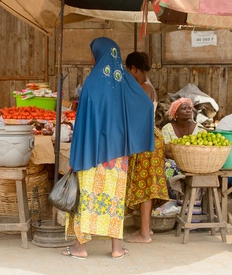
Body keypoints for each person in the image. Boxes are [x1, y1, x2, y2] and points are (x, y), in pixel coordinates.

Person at [62, 37, 155, 259]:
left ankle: (80, 247)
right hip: (117, 155)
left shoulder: (92, 81)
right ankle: (116, 248)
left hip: (91, 152)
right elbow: (146, 105)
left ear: (99, 54)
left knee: (86, 198)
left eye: (92, 53)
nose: (91, 57)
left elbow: (83, 122)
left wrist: (75, 156)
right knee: (114, 199)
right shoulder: (124, 80)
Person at [123, 52, 169, 243]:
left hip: (145, 139)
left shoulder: (142, 88)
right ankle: (146, 229)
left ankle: (144, 233)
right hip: (150, 137)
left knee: (145, 186)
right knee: (146, 184)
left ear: (134, 68)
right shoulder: (148, 87)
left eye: (129, 71)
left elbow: (136, 117)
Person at [161, 98, 204, 198]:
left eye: (190, 108)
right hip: (174, 161)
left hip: (194, 162)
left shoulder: (199, 128)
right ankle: (173, 197)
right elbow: (166, 152)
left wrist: (190, 160)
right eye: (184, 109)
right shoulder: (167, 128)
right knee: (167, 166)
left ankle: (194, 199)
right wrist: (183, 159)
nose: (188, 110)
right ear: (176, 113)